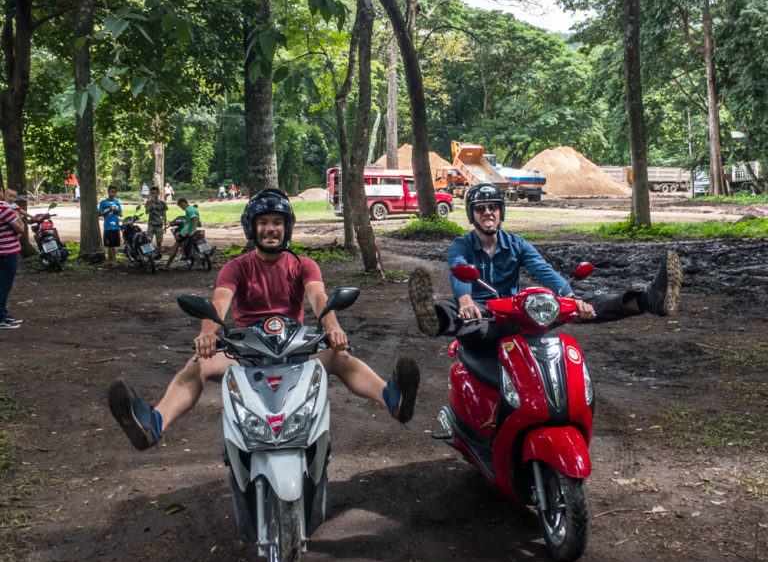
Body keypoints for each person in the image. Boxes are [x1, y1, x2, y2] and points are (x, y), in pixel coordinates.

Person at [108, 188, 420, 449]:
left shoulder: (304, 264)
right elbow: (219, 304)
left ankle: (392, 398)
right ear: (251, 228)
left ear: (287, 227)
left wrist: (333, 328)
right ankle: (154, 422)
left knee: (340, 356)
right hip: (246, 354)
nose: (271, 229)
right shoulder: (235, 267)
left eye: (277, 222)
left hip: (296, 351)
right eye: (264, 222)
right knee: (199, 364)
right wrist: (208, 334)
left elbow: (318, 298)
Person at [408, 183, 683, 345]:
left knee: (589, 301)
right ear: (472, 215)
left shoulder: (517, 244)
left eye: (493, 207)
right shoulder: (461, 245)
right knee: (457, 312)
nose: (488, 212)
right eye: (480, 208)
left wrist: (570, 297)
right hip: (482, 310)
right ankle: (430, 318)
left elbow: (543, 270)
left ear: (501, 211)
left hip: (514, 310)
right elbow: (458, 269)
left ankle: (650, 299)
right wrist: (466, 299)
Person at [0, 188, 24, 330]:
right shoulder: (3, 209)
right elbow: (19, 229)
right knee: (4, 286)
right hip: (7, 253)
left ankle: (3, 313)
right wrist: (19, 223)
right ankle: (1, 318)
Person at [161, 197, 199, 270]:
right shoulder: (194, 209)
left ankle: (166, 266)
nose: (182, 208)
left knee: (175, 246)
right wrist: (196, 227)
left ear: (183, 203)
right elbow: (197, 220)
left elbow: (194, 218)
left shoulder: (188, 209)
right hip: (192, 231)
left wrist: (193, 230)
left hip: (186, 231)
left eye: (181, 206)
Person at [97, 185, 123, 268]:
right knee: (110, 244)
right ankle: (114, 261)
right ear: (108, 192)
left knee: (112, 244)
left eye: (115, 192)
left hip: (116, 226)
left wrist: (116, 211)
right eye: (112, 192)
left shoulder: (117, 202)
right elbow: (99, 214)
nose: (113, 194)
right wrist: (109, 210)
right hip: (108, 226)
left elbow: (121, 214)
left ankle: (109, 261)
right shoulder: (103, 203)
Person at [145, 186, 167, 257]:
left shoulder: (162, 203)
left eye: (155, 193)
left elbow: (164, 215)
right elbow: (146, 212)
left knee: (159, 241)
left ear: (158, 194)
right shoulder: (148, 202)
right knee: (148, 239)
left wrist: (165, 225)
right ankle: (148, 255)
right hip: (151, 224)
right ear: (150, 194)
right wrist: (151, 203)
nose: (154, 195)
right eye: (152, 193)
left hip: (159, 224)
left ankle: (158, 254)